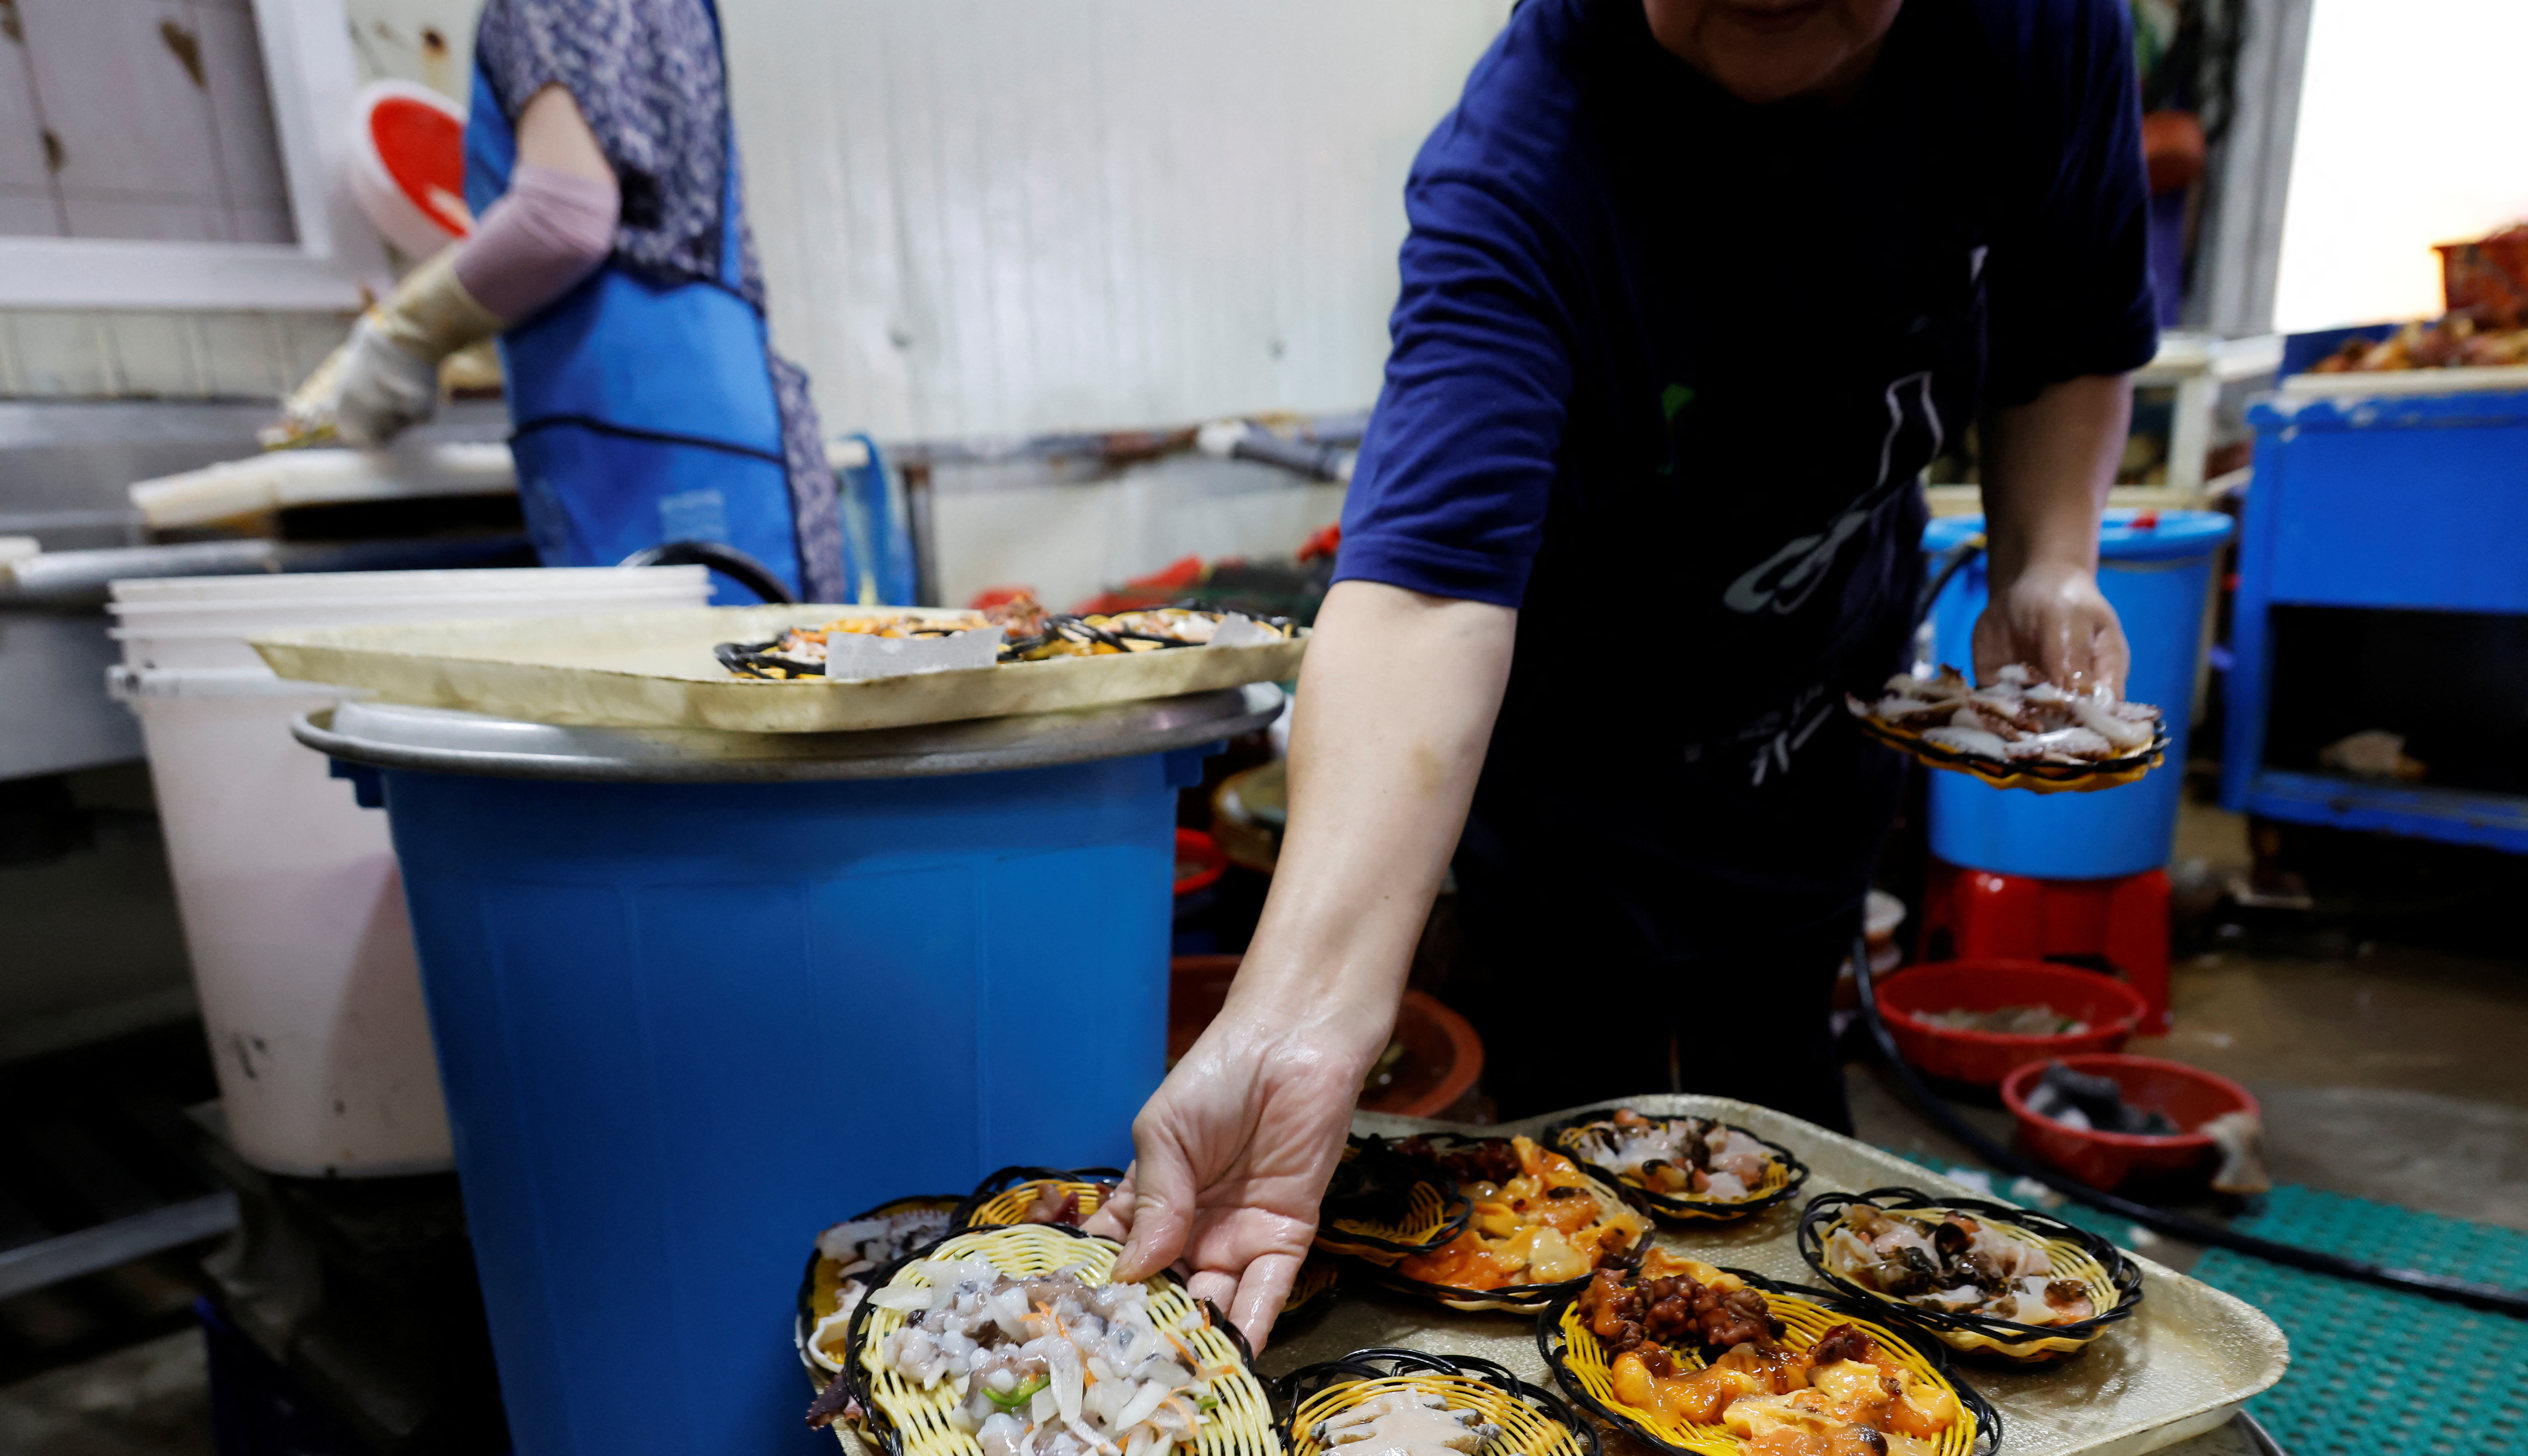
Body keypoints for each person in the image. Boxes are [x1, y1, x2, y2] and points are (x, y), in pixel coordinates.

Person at [1092, 0, 2156, 1348]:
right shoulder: (1528, 159)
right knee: (1564, 1173)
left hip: (1813, 722)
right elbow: (1425, 595)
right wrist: (1295, 1024)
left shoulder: (2039, 32)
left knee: (1786, 1106)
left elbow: (2071, 326)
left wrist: (2049, 558)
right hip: (1563, 773)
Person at [281, 0, 841, 601]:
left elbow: (563, 217)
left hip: (639, 437)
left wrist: (411, 334)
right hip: (726, 422)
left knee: (693, 680)